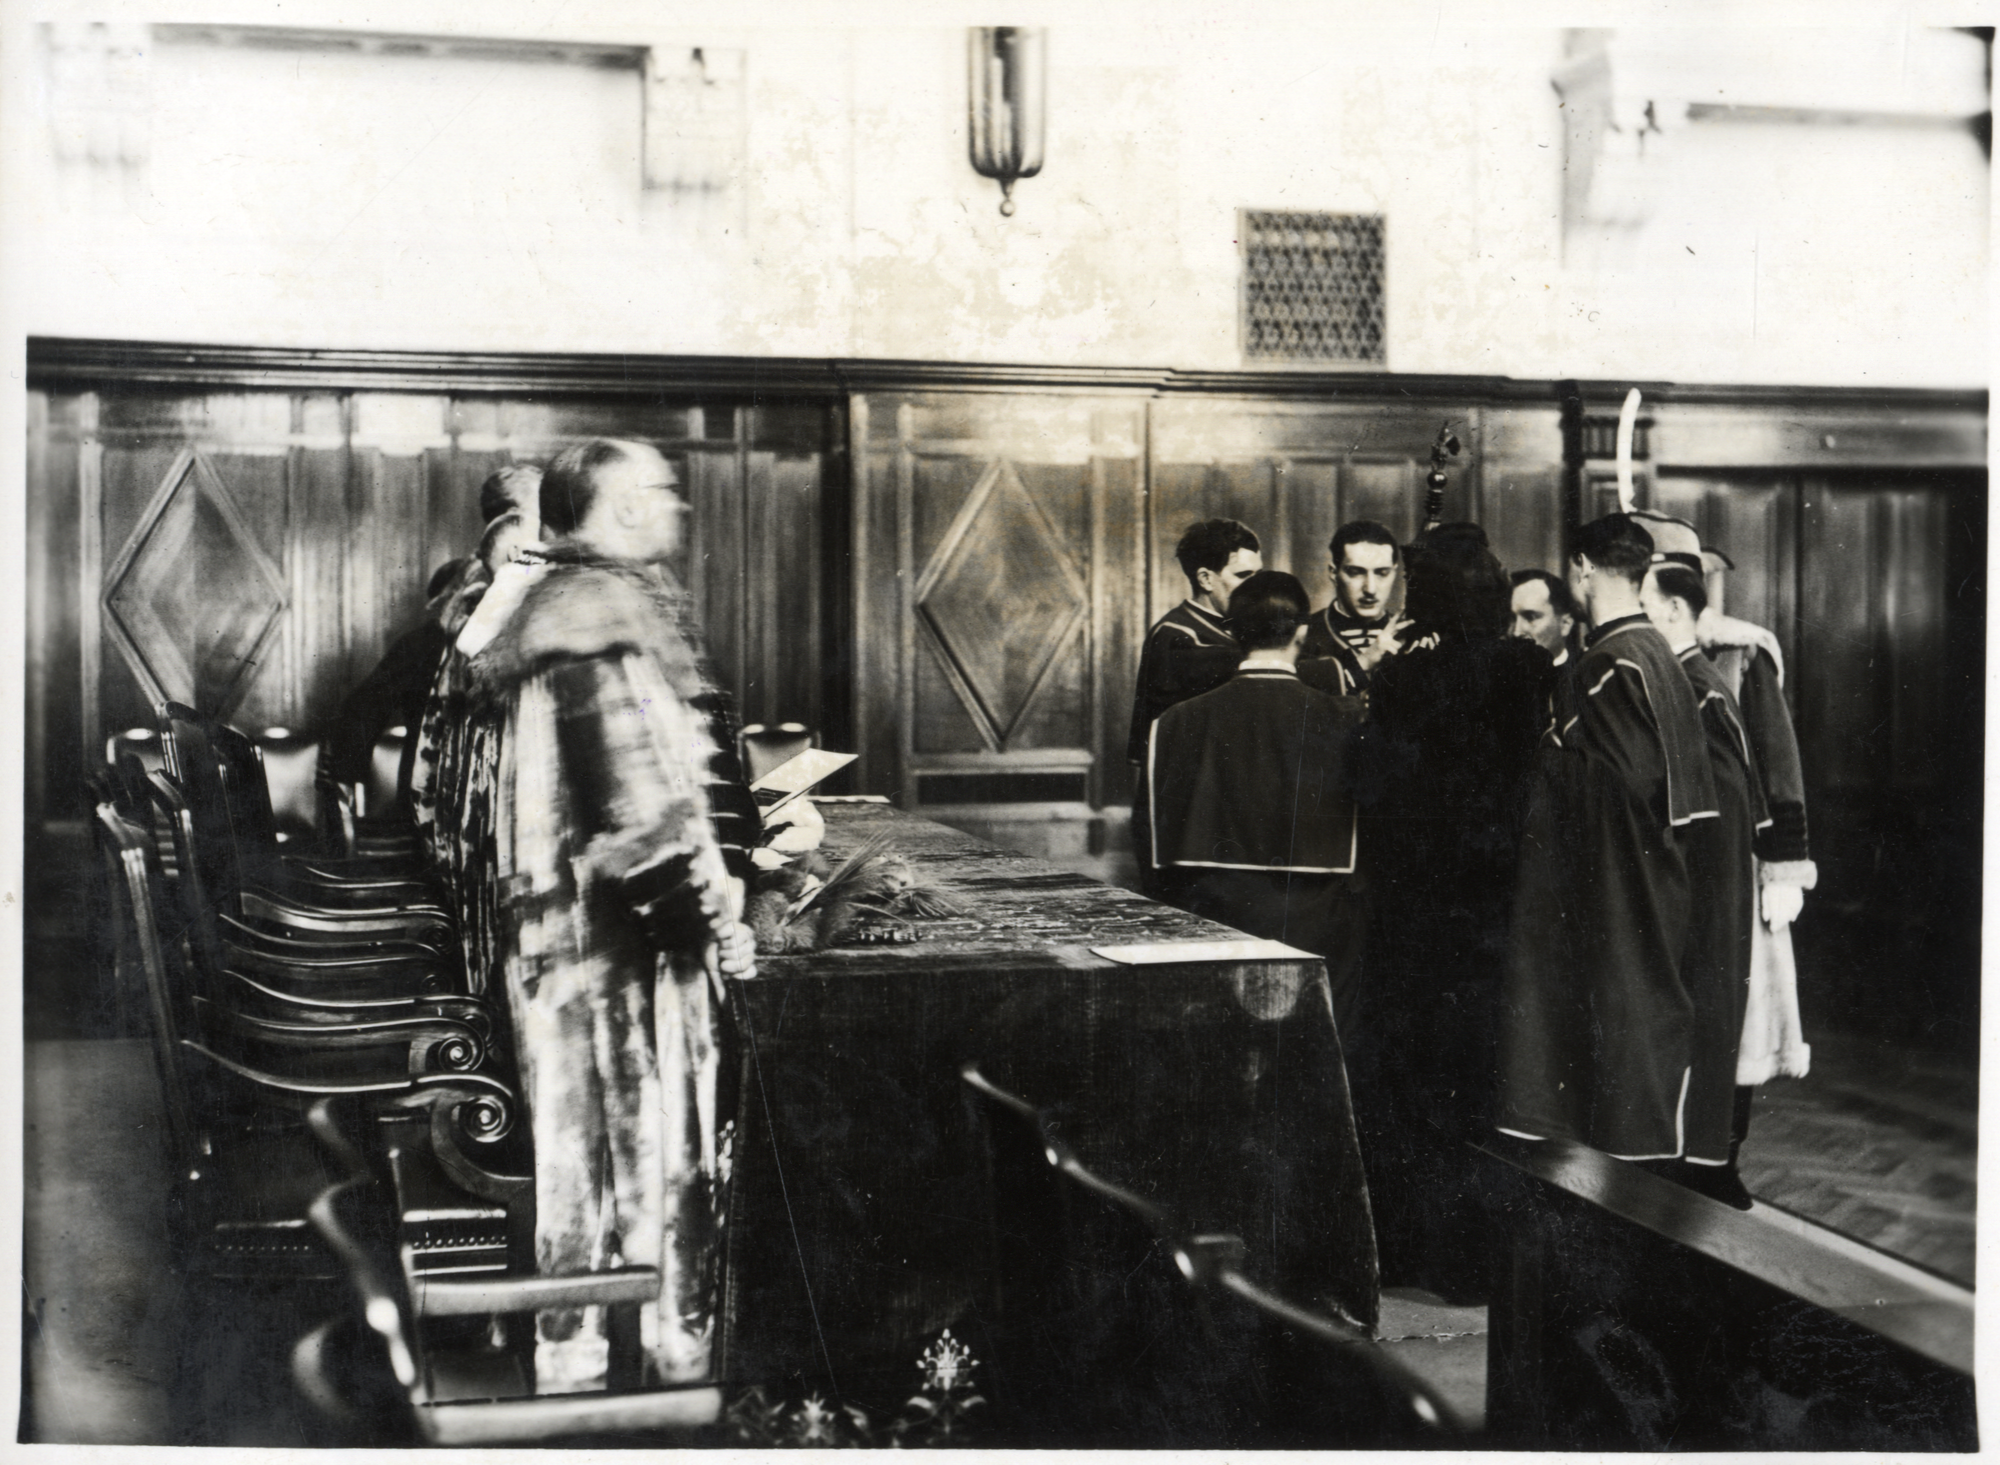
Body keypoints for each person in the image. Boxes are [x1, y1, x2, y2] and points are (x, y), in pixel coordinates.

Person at [453, 438, 757, 1390]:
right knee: (633, 1172)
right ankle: (639, 1388)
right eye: (660, 491)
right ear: (620, 507)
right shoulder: (592, 615)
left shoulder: (565, 601)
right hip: (614, 958)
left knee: (586, 1172)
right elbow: (637, 814)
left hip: (571, 945)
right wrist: (718, 929)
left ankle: (589, 1362)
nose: (675, 506)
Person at [1348, 528, 1552, 1296]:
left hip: (1410, 900)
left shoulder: (1404, 676)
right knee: (1478, 1074)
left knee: (1407, 1073)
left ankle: (1406, 1250)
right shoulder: (1524, 667)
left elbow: (1373, 786)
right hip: (1491, 898)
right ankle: (1474, 1261)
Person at [1495, 514, 1719, 1163]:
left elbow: (1619, 786)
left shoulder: (1609, 662)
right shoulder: (1656, 652)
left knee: (1617, 1018)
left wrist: (1547, 754)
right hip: (1659, 867)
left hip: (1622, 876)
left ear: (1583, 568)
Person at [1146, 570, 1367, 1023]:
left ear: (1233, 633)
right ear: (1302, 633)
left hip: (1208, 923)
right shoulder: (1347, 719)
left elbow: (1151, 846)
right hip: (1318, 929)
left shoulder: (1173, 722)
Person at [1639, 549, 1765, 1204]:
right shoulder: (1692, 680)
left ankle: (1691, 1173)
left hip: (1705, 893)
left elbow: (1718, 816)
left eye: (1641, 606)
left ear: (1673, 609)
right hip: (1708, 889)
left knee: (1698, 1025)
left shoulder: (1691, 688)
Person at [321, 463, 542, 808]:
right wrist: (343, 789)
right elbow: (365, 705)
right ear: (513, 518)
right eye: (543, 511)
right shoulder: (467, 597)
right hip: (451, 795)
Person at [1127, 519, 1262, 897]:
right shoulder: (1176, 635)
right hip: (1182, 811)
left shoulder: (1234, 628)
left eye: (1259, 576)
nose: (1256, 589)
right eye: (1244, 576)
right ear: (1205, 578)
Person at [1300, 521, 1413, 695]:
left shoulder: (1410, 636)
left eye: (1382, 573)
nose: (1370, 589)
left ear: (1394, 572)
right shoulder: (1303, 634)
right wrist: (1363, 662)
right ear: (1333, 573)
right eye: (1356, 572)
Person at [1509, 568, 1581, 666]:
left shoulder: (1583, 671)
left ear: (1565, 624)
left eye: (1530, 617)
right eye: (1513, 619)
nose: (1516, 632)